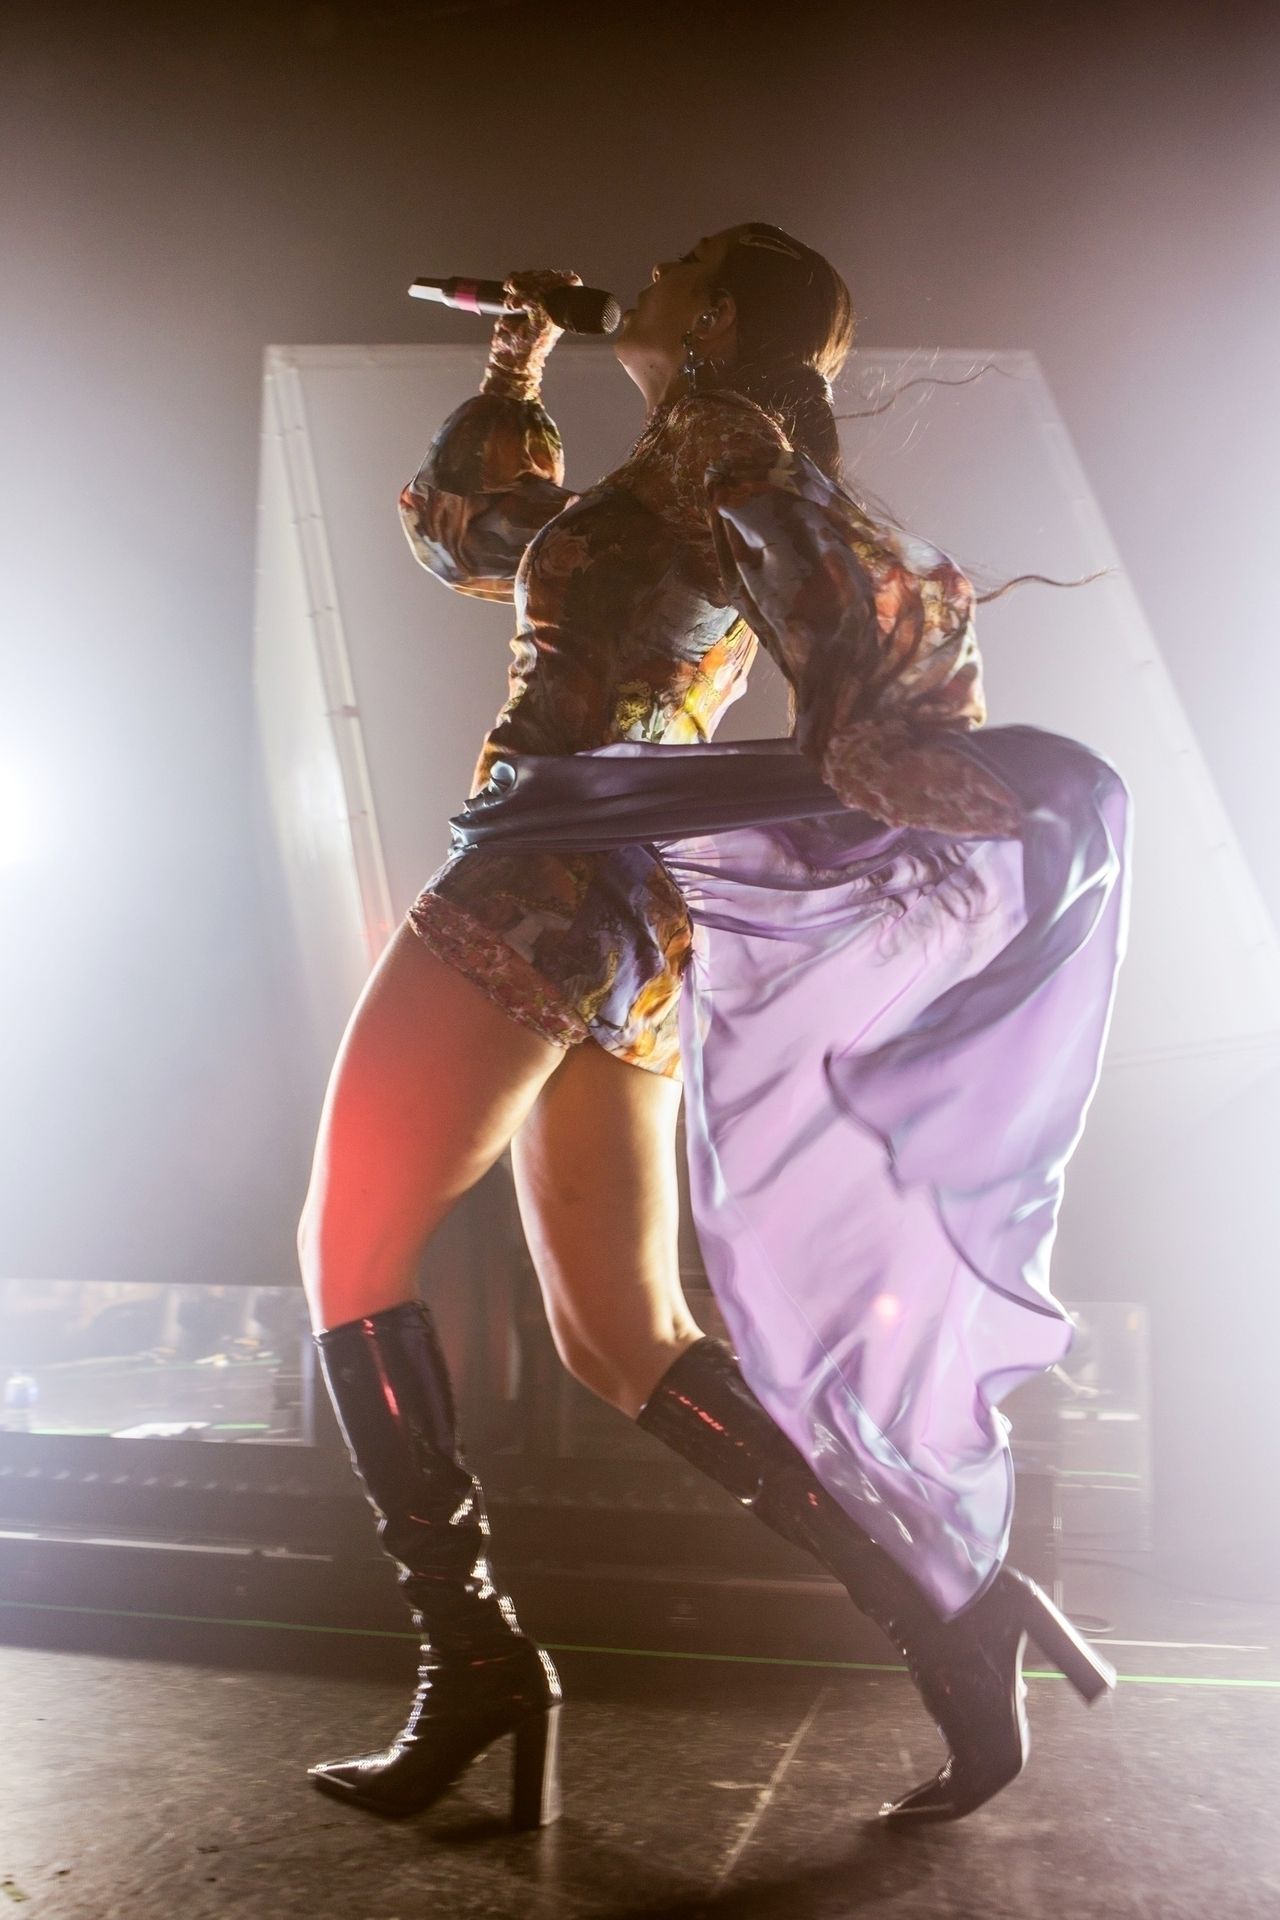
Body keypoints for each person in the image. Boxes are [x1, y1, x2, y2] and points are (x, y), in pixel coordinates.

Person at [295, 223, 1126, 1833]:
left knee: (347, 1248)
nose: (649, 273)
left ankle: (473, 1659)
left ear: (717, 312)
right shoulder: (671, 474)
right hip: (629, 916)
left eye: (677, 266)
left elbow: (848, 577)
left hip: (542, 876)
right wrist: (519, 350)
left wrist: (890, 744)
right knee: (623, 1339)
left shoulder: (724, 446)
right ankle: (952, 1611)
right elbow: (473, 540)